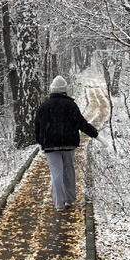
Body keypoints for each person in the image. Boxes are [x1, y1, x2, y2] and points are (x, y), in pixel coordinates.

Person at [33, 76, 99, 210]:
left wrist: (40, 141)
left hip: (50, 144)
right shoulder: (70, 105)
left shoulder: (44, 106)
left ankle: (58, 204)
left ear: (52, 90)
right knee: (68, 170)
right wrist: (95, 134)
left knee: (56, 173)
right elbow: (81, 123)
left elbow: (37, 127)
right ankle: (69, 199)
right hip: (68, 142)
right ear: (65, 90)